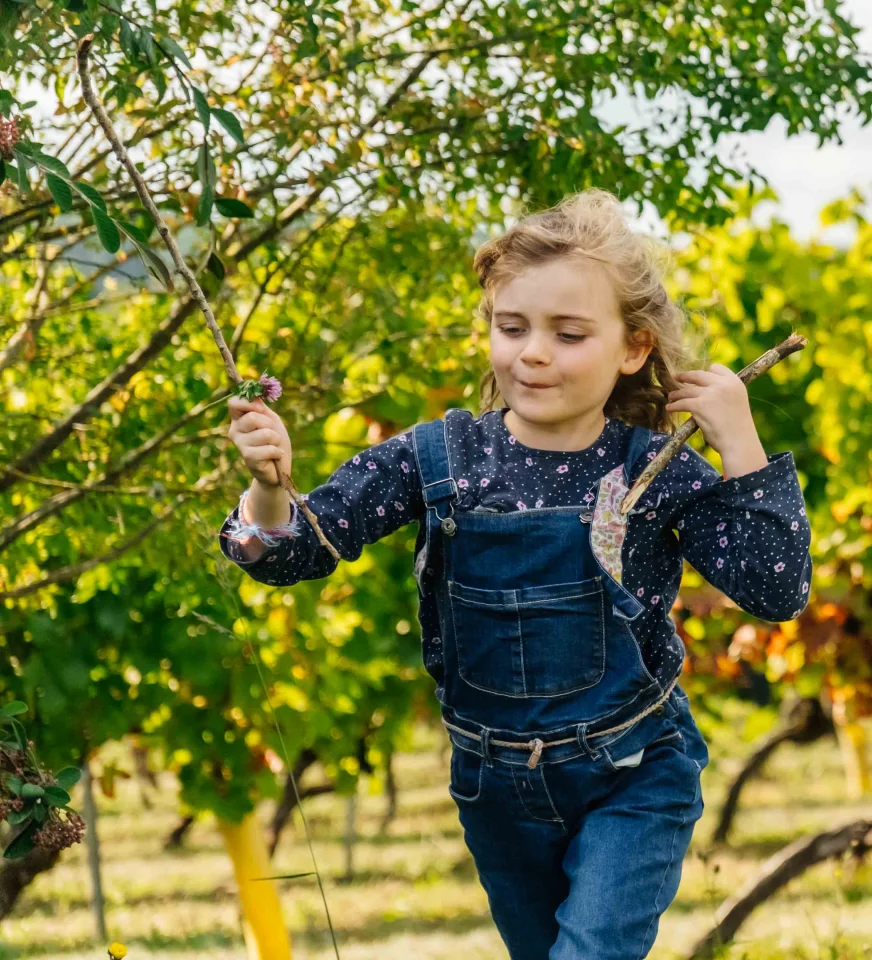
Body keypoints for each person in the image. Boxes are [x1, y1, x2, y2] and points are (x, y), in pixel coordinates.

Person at [220, 190, 812, 958]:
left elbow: (775, 588)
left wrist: (740, 442)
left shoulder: (652, 468)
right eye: (512, 327)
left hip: (634, 772)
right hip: (496, 788)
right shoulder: (438, 460)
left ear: (632, 348)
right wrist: (270, 487)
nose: (532, 352)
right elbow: (298, 551)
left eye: (568, 335)